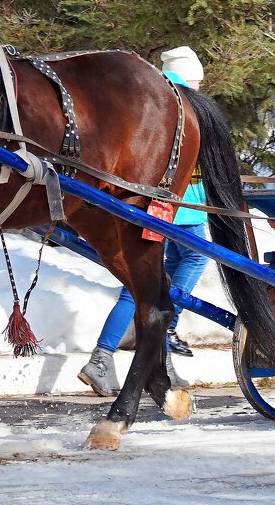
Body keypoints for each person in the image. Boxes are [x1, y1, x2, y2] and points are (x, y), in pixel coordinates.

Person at [77, 48, 209, 396]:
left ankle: (106, 354)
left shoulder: (149, 97)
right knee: (166, 274)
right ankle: (164, 330)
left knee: (139, 278)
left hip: (151, 206)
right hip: (185, 210)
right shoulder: (183, 104)